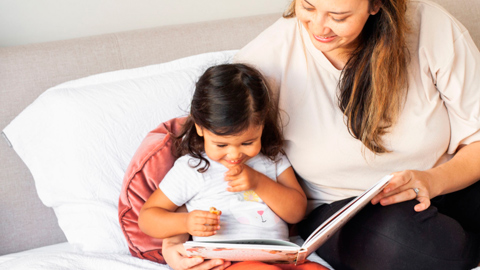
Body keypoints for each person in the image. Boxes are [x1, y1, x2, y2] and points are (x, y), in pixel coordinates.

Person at [161, 0, 480, 269]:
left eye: (338, 16)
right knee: (408, 244)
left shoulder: (432, 27)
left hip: (445, 181)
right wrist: (173, 239)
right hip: (343, 209)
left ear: (375, 5)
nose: (318, 27)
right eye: (307, 6)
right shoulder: (266, 60)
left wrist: (432, 180)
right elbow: (212, 150)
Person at [139, 63, 328, 270]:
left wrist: (258, 182)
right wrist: (185, 223)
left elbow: (296, 212)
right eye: (221, 145)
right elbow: (148, 218)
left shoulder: (272, 159)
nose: (234, 154)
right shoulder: (193, 168)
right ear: (201, 128)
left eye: (247, 143)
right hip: (228, 264)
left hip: (281, 258)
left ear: (262, 125)